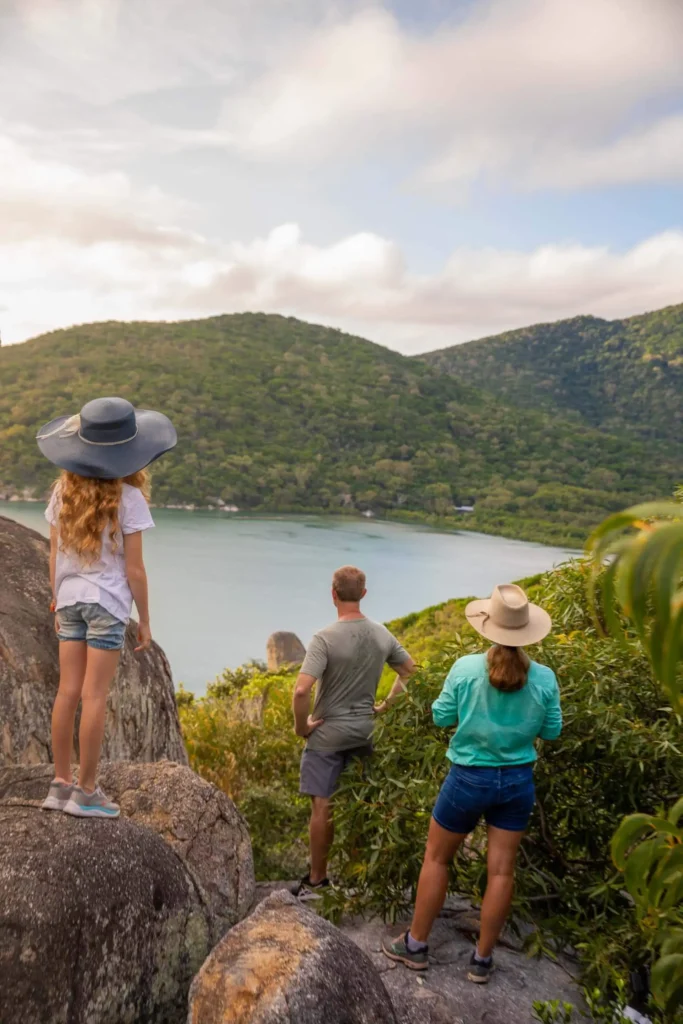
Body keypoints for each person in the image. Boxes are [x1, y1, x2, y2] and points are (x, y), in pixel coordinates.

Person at [383, 583, 562, 983]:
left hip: (467, 779)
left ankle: (415, 946)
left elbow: (441, 717)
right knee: (501, 872)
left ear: (488, 627)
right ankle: (481, 961)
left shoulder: (465, 669)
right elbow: (551, 731)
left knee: (437, 858)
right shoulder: (545, 678)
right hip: (517, 782)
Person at [36, 397, 177, 819]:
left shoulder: (63, 490)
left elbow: (54, 551)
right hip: (107, 604)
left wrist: (57, 593)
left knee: (67, 691)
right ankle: (87, 791)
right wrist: (146, 620)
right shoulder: (129, 498)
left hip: (70, 601)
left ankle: (59, 784)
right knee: (95, 696)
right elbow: (134, 569)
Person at [292, 565, 416, 899]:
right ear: (363, 594)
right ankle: (364, 876)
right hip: (367, 732)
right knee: (368, 803)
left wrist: (301, 727)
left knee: (323, 807)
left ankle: (318, 879)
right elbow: (409, 671)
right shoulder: (381, 634)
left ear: (332, 594)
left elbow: (302, 691)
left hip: (327, 734)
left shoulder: (324, 638)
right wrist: (385, 706)